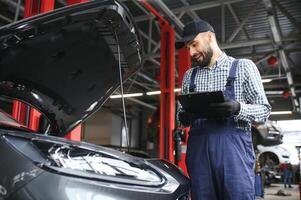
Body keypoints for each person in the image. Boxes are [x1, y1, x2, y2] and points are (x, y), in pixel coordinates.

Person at [175, 20, 271, 200]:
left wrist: (238, 108)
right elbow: (179, 119)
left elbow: (264, 110)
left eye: (194, 45)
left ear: (210, 37)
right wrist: (184, 116)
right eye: (188, 48)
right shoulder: (190, 76)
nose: (191, 52)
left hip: (234, 151)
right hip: (199, 152)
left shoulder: (243, 67)